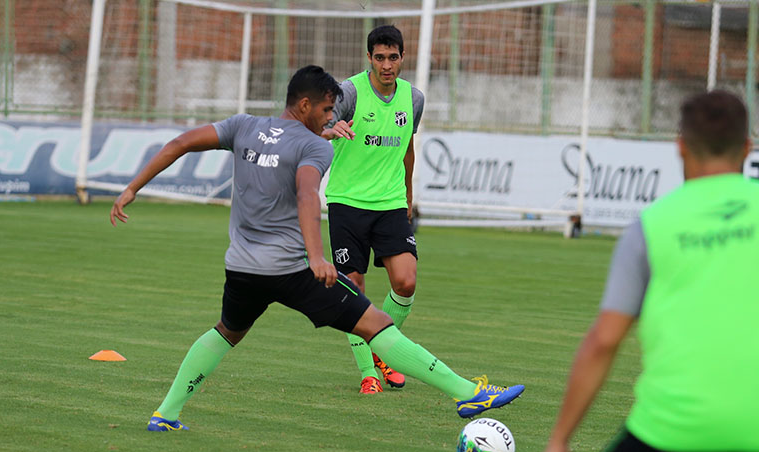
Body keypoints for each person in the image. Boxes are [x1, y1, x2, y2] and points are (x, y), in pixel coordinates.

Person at [109, 65, 524, 431]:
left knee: (227, 332)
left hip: (241, 269)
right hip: (294, 273)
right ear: (304, 105)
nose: (331, 119)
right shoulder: (314, 146)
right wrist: (316, 257)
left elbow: (179, 143)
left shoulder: (242, 126)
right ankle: (467, 392)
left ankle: (166, 413)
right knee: (376, 322)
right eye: (327, 110)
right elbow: (309, 195)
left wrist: (131, 188)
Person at [532, 90, 759, 452]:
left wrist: (559, 440)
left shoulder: (650, 228)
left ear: (679, 145)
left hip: (675, 424)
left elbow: (604, 342)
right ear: (748, 147)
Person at [320, 25, 425, 394]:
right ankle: (369, 372)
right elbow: (318, 125)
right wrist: (332, 129)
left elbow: (408, 150)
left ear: (402, 57)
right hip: (347, 201)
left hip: (391, 202)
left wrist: (409, 197)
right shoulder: (349, 92)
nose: (386, 65)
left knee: (406, 281)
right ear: (369, 58)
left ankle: (381, 349)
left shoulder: (414, 99)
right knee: (354, 287)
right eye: (379, 58)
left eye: (392, 57)